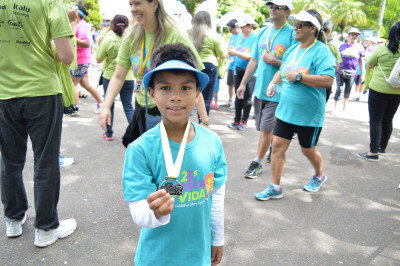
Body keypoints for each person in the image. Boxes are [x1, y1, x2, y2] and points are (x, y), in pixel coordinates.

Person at [122, 43, 227, 265]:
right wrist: (155, 212)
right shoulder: (140, 149)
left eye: (186, 88)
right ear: (151, 93)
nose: (176, 97)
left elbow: (216, 194)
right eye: (165, 88)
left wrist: (217, 237)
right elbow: (137, 208)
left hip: (198, 254)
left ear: (198, 92)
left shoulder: (212, 142)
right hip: (156, 257)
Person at [0, 0, 77, 247]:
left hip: (3, 93)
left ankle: (13, 219)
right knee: (45, 162)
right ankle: (46, 228)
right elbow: (66, 56)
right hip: (42, 90)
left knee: (9, 162)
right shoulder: (50, 2)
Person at [100, 0, 209, 147]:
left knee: (168, 162)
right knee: (142, 159)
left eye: (137, 3)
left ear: (155, 4)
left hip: (171, 112)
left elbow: (194, 81)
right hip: (142, 109)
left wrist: (204, 121)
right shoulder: (131, 37)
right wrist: (106, 106)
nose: (133, 9)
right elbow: (118, 76)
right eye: (130, 4)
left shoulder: (176, 35)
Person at [254, 10, 336, 200]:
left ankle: (319, 175)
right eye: (295, 24)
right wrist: (273, 83)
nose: (295, 28)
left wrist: (300, 77)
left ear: (312, 28)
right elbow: (283, 71)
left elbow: (327, 80)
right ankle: (275, 187)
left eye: (300, 25)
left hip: (309, 114)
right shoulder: (293, 49)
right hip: (285, 111)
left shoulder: (322, 51)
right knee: (278, 147)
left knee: (308, 150)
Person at [237, 0, 295, 178]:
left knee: (265, 130)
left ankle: (257, 162)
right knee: (265, 129)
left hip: (279, 91)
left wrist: (274, 61)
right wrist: (243, 83)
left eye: (278, 7)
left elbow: (293, 64)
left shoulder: (292, 34)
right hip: (260, 89)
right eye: (271, 6)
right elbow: (254, 60)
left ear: (287, 11)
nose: (273, 10)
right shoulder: (263, 31)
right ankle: (271, 149)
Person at [357, 21, 400, 162]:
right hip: (397, 90)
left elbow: (369, 65)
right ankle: (382, 148)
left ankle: (373, 152)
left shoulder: (382, 48)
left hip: (378, 89)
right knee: (388, 119)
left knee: (376, 120)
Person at [96, 15, 135, 141]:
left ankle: (108, 133)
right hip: (128, 77)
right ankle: (136, 133)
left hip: (110, 77)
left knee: (110, 105)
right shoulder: (131, 40)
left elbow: (98, 59)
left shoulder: (108, 40)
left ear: (113, 25)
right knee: (128, 106)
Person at [189, 11, 226, 116]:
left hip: (192, 66)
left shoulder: (188, 34)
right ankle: (203, 125)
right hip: (209, 67)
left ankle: (184, 127)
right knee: (206, 99)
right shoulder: (214, 35)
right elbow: (222, 54)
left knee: (188, 96)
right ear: (209, 21)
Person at [70, 5, 103, 114]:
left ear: (77, 13)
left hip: (80, 61)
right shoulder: (79, 24)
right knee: (85, 84)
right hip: (82, 60)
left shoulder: (81, 25)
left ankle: (73, 110)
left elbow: (86, 43)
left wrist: (71, 37)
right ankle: (101, 103)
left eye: (72, 9)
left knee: (73, 83)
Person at [227, 15, 257, 130]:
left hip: (250, 72)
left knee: (247, 97)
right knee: (238, 95)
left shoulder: (254, 38)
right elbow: (233, 49)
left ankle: (244, 121)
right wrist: (230, 51)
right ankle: (236, 119)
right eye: (240, 26)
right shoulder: (239, 36)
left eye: (244, 26)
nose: (241, 28)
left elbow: (251, 56)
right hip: (237, 69)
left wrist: (235, 52)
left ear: (250, 26)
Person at [332, 27, 365, 114]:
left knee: (347, 90)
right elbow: (336, 58)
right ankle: (335, 107)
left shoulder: (360, 47)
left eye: (356, 35)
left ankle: (345, 104)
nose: (354, 36)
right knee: (339, 89)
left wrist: (362, 74)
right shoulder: (342, 46)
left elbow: (361, 61)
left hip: (352, 73)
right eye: (353, 34)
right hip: (340, 71)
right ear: (349, 35)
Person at [322, 19, 342, 102]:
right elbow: (337, 66)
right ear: (329, 32)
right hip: (326, 82)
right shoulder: (332, 45)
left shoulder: (308, 44)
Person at [225, 19, 241, 111]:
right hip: (231, 64)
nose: (230, 32)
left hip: (237, 64)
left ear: (236, 27)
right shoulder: (232, 36)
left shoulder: (240, 36)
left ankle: (236, 102)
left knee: (236, 85)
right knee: (230, 83)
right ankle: (230, 101)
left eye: (231, 29)